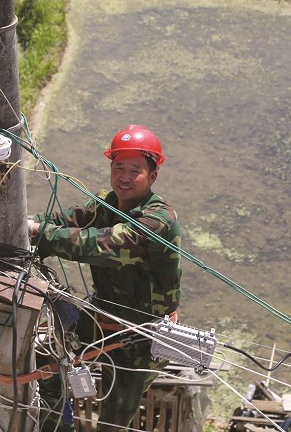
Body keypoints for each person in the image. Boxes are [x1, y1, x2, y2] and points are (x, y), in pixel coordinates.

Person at [29, 124, 181, 432]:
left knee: (113, 421)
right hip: (102, 316)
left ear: (152, 176)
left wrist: (37, 233)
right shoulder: (104, 203)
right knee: (44, 354)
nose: (124, 177)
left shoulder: (158, 219)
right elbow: (66, 220)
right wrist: (27, 223)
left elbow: (103, 244)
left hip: (142, 336)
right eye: (118, 167)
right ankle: (55, 425)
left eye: (134, 171)